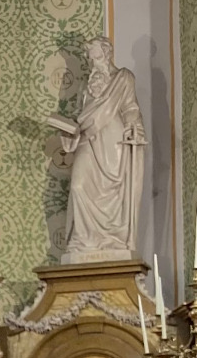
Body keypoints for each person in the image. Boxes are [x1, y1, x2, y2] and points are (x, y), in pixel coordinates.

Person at [54, 37, 145, 263]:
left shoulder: (123, 78)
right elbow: (81, 114)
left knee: (114, 191)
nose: (89, 58)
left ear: (105, 52)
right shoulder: (86, 84)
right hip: (87, 138)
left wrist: (135, 127)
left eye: (93, 53)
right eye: (88, 55)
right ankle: (82, 240)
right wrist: (69, 133)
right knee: (78, 185)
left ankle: (113, 237)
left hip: (113, 140)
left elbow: (131, 107)